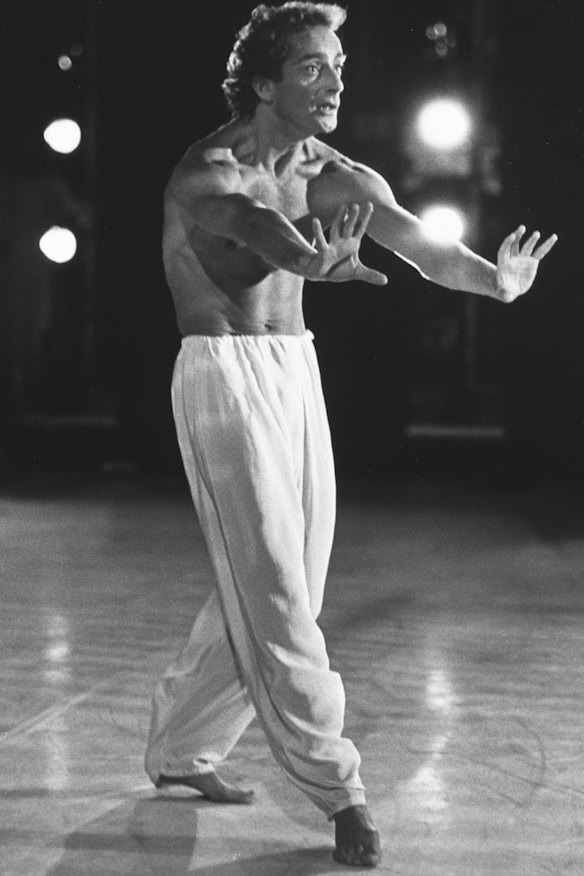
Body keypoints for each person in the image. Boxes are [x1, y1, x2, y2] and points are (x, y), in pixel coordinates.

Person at [144, 2, 557, 868]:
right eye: (311, 68)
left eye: (338, 64)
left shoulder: (339, 173)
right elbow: (258, 230)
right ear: (264, 83)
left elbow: (421, 248)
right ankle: (342, 789)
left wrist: (498, 284)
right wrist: (309, 260)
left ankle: (182, 747)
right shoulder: (205, 171)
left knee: (286, 580)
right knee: (277, 593)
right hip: (223, 378)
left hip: (297, 373)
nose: (335, 81)